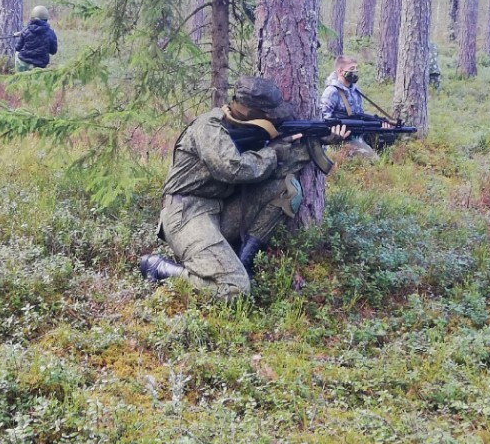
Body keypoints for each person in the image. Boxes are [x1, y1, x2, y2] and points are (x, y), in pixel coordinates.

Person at [139, 76, 348, 299]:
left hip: (220, 210)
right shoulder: (208, 127)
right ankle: (162, 269)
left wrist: (320, 140)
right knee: (235, 290)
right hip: (186, 213)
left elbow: (275, 166)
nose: (273, 118)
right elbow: (232, 169)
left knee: (287, 189)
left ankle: (243, 261)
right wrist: (273, 151)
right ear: (249, 111)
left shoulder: (249, 130)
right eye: (269, 114)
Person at [320, 55, 391, 159]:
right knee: (374, 160)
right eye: (352, 69)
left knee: (388, 140)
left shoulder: (355, 90)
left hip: (357, 134)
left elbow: (359, 115)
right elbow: (323, 120)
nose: (355, 72)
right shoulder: (332, 91)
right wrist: (335, 135)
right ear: (340, 71)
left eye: (356, 69)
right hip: (339, 139)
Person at [14, 6, 58, 72]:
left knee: (17, 54)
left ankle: (18, 78)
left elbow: (17, 48)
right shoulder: (50, 33)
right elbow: (53, 51)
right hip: (40, 65)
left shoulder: (25, 31)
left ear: (32, 17)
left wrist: (22, 36)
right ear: (46, 18)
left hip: (24, 61)